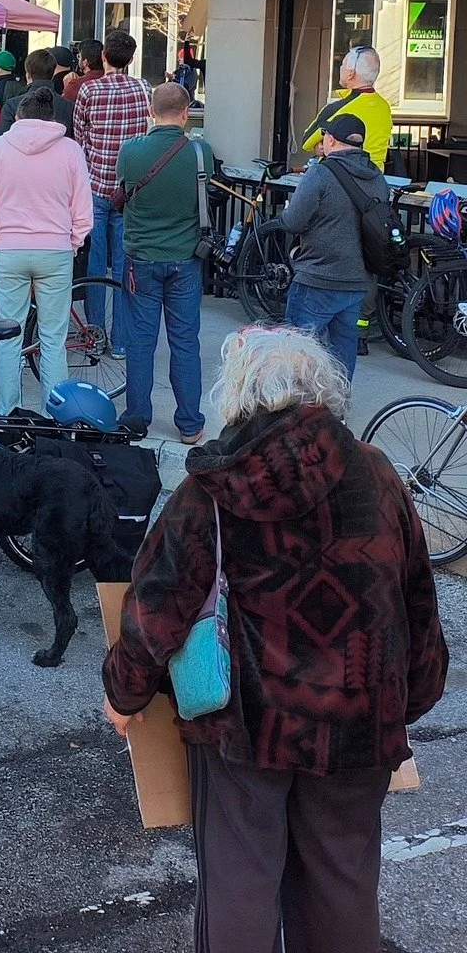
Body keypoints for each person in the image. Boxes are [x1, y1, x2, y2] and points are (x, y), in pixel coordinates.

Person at [102, 325, 447, 953]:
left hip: (247, 730)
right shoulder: (378, 475)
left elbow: (156, 610)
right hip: (357, 724)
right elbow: (418, 606)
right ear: (322, 391)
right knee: (343, 886)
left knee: (239, 884)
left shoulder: (209, 491)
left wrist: (123, 694)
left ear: (235, 398)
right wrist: (404, 702)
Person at [0, 88, 92, 414]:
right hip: (55, 250)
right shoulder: (70, 150)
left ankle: (9, 412)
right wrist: (73, 241)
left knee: (9, 337)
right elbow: (83, 208)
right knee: (53, 340)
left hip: (10, 249)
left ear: (19, 116)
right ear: (52, 118)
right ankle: (56, 414)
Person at [117, 83, 214, 444]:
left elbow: (123, 190)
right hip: (186, 259)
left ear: (150, 110)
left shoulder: (131, 152)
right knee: (186, 341)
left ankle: (137, 418)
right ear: (186, 112)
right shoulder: (201, 154)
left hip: (141, 258)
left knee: (141, 342)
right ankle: (190, 423)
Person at [272, 113, 387, 379]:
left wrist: (286, 213)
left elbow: (293, 222)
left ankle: (299, 411)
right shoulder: (377, 178)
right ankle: (336, 409)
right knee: (343, 353)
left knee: (298, 352)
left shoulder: (320, 174)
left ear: (332, 140)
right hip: (358, 279)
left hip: (317, 278)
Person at [74, 29, 151, 354]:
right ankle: (120, 341)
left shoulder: (90, 89)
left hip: (95, 184)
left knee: (95, 261)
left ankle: (95, 335)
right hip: (128, 189)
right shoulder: (143, 89)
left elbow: (79, 137)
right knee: (123, 264)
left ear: (103, 56)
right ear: (131, 59)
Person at [299, 44, 392, 173]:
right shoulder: (384, 106)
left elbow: (307, 140)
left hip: (341, 179)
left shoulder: (339, 108)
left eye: (342, 65)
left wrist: (319, 144)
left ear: (350, 73)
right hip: (374, 178)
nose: (340, 68)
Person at [0, 48, 77, 138]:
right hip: (59, 151)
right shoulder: (69, 107)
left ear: (28, 75)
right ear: (53, 73)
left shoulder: (12, 104)